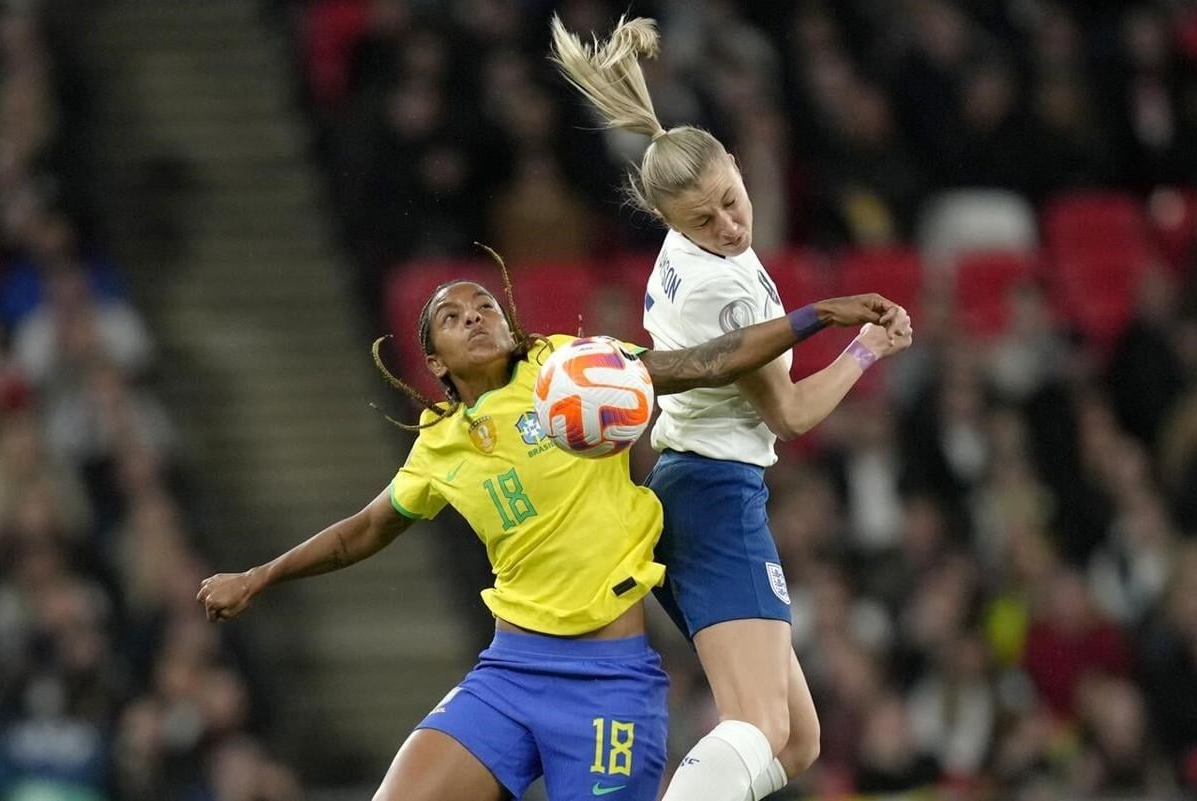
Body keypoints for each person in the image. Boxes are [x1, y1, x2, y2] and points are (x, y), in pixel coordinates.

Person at [196, 251, 901, 801]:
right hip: (508, 674)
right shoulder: (439, 445)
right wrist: (261, 575)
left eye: (485, 305)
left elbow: (699, 364)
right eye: (453, 315)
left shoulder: (570, 366)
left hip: (609, 686)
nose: (477, 316)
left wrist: (815, 316)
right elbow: (363, 530)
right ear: (435, 362)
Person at [550, 17, 914, 801]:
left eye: (729, 201)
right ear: (671, 224)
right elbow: (789, 414)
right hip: (715, 499)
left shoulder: (698, 256)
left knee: (802, 739)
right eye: (704, 220)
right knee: (756, 727)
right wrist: (866, 353)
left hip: (698, 490)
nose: (729, 225)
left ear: (740, 168)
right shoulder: (724, 286)